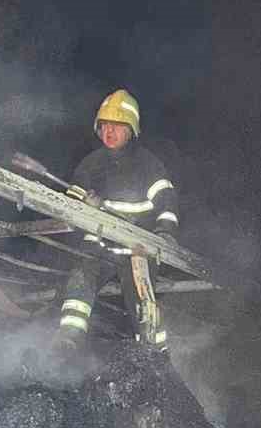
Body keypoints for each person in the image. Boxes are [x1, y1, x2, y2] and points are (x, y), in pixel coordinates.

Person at [56, 89, 179, 354]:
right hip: (99, 247)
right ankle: (68, 343)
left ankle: (156, 355)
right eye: (104, 127)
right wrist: (81, 205)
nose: (109, 133)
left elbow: (167, 205)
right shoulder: (90, 165)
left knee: (144, 306)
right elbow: (69, 205)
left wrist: (164, 234)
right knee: (79, 281)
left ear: (131, 130)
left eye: (116, 127)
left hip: (137, 250)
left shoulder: (149, 165)